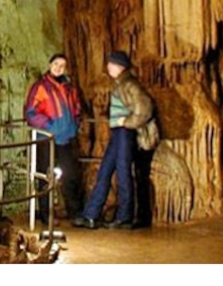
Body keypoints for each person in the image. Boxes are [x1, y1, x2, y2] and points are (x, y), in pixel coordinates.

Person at [74, 51, 153, 229]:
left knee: (123, 172)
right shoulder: (119, 84)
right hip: (117, 133)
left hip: (125, 132)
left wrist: (127, 122)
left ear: (120, 66)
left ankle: (125, 216)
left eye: (111, 64)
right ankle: (91, 215)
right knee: (105, 170)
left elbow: (145, 109)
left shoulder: (130, 85)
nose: (108, 66)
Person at [24, 53, 84, 223]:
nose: (58, 68)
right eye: (56, 64)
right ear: (50, 65)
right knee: (45, 175)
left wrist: (75, 124)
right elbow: (31, 112)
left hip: (66, 138)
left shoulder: (69, 88)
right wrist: (49, 126)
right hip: (46, 138)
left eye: (62, 65)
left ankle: (74, 212)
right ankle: (46, 215)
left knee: (70, 175)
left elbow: (77, 107)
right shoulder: (40, 87)